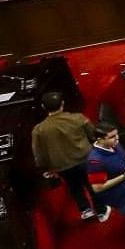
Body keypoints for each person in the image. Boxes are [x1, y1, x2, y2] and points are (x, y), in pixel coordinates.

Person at [32, 91, 106, 221]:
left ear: (43, 107)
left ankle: (85, 210)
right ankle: (101, 210)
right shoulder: (78, 118)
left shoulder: (38, 130)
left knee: (74, 187)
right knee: (91, 184)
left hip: (62, 167)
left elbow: (39, 155)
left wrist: (46, 168)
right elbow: (93, 135)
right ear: (63, 104)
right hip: (85, 159)